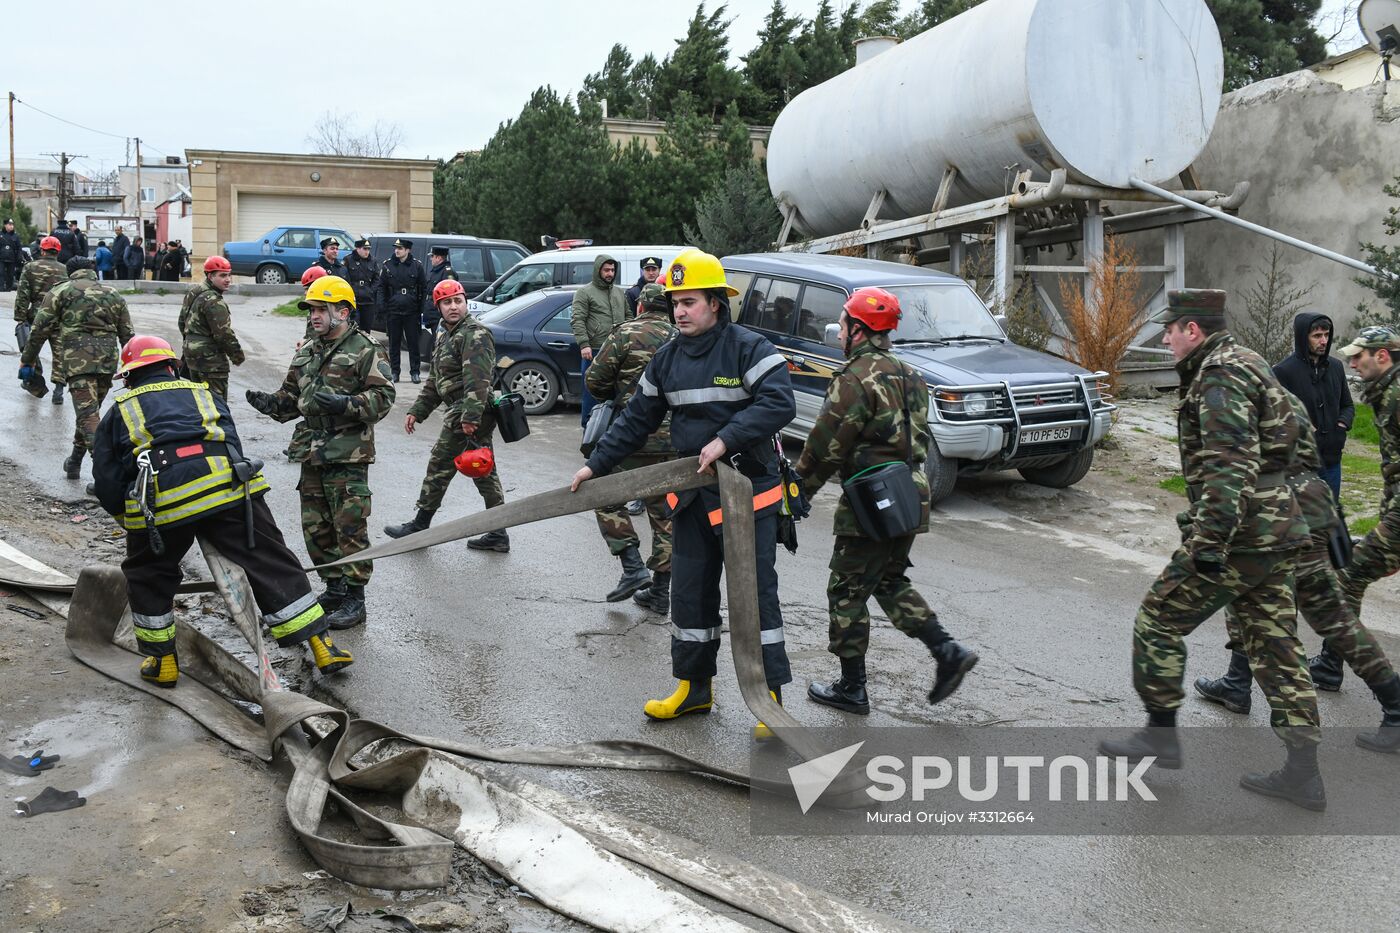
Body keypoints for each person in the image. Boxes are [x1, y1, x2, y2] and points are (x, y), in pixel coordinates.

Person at [1099, 288, 1323, 811]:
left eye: (1170, 329)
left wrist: (1208, 543)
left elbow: (1229, 465)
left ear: (1192, 330)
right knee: (1276, 646)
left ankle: (1159, 734)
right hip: (1277, 529)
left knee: (1157, 621)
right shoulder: (1250, 361)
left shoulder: (1219, 374)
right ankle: (1303, 772)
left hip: (1239, 536)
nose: (1165, 338)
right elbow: (1300, 433)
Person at [571, 249, 796, 732]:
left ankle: (768, 696)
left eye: (689, 301)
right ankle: (693, 689)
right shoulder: (667, 358)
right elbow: (635, 420)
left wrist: (726, 438)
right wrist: (597, 466)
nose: (679, 311)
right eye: (675, 302)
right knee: (690, 593)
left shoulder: (749, 349)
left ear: (716, 302)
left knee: (754, 596)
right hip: (691, 498)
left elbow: (780, 404)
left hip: (747, 498)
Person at [91, 335, 351, 686]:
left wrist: (133, 522)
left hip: (165, 503)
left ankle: (163, 662)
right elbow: (231, 444)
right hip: (227, 491)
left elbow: (108, 481)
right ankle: (323, 645)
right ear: (172, 365)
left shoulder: (119, 411)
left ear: (129, 376)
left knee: (148, 574)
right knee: (270, 558)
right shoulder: (203, 392)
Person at [795, 287, 977, 715]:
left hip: (871, 499)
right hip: (911, 493)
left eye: (842, 324)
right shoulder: (911, 374)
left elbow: (827, 444)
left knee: (846, 591)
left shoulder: (855, 377)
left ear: (858, 329)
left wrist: (798, 492)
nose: (838, 330)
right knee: (888, 581)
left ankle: (852, 688)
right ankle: (947, 651)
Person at [1193, 388, 1400, 751]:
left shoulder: (1224, 395)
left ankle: (1298, 750)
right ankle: (1237, 684)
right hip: (1313, 500)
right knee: (1329, 614)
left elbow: (1230, 471)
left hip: (1271, 509)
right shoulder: (1280, 393)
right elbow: (1312, 455)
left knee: (1262, 610)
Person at [245, 275, 394, 629]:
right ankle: (334, 586)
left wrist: (347, 403)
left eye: (320, 309)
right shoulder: (308, 350)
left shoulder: (365, 348)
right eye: (311, 309)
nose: (313, 315)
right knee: (317, 527)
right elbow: (291, 400)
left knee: (349, 526)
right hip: (310, 451)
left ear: (342, 311)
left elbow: (383, 399)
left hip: (347, 450)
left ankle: (355, 599)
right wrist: (270, 404)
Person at [384, 279, 510, 552]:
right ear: (438, 306)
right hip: (463, 409)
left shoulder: (475, 334)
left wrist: (470, 418)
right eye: (447, 302)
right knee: (483, 470)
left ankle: (419, 525)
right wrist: (417, 411)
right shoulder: (446, 334)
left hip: (469, 409)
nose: (453, 306)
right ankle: (498, 532)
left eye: (458, 301)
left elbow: (478, 381)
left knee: (439, 465)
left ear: (465, 302)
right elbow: (436, 382)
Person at [583, 282, 678, 609]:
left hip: (630, 433)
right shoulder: (681, 336)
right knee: (665, 511)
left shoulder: (624, 333)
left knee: (603, 493)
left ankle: (632, 566)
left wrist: (618, 394)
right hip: (674, 439)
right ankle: (660, 592)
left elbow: (595, 380)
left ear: (640, 307)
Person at [1329, 327, 1400, 704]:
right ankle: (1330, 661)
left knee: (1348, 577)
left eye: (1360, 356)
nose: (1353, 363)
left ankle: (1387, 692)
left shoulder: (1397, 394)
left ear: (1383, 356)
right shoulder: (1386, 392)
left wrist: (1393, 528)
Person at [21, 257, 134, 484]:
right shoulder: (113, 293)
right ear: (91, 270)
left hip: (77, 362)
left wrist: (27, 361)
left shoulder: (61, 292)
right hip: (107, 363)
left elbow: (39, 331)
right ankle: (74, 461)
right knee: (88, 415)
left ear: (69, 272)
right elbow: (128, 336)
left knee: (88, 416)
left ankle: (108, 478)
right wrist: (132, 368)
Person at [1274, 312, 1352, 498]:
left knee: (1332, 515)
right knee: (1302, 520)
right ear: (1303, 337)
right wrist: (1304, 429)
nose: (1324, 341)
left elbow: (1347, 405)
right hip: (1300, 463)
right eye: (1317, 336)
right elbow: (1275, 416)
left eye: (1326, 334)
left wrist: (1341, 425)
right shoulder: (1283, 371)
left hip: (1332, 459)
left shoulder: (1336, 367)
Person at [570, 254, 627, 427]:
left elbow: (629, 317)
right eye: (606, 270)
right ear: (598, 270)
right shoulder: (584, 292)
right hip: (594, 351)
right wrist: (584, 344)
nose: (610, 273)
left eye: (612, 270)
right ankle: (588, 428)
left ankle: (609, 428)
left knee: (615, 391)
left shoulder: (619, 292)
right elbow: (577, 319)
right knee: (591, 392)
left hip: (617, 350)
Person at [12, 235, 68, 404]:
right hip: (59, 315)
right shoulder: (64, 269)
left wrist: (20, 317)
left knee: (31, 348)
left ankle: (35, 383)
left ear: (42, 250)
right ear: (57, 251)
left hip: (37, 314)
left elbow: (23, 295)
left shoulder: (30, 267)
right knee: (60, 352)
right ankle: (58, 389)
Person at [178, 256, 244, 398]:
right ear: (210, 276)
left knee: (198, 401)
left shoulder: (194, 292)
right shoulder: (214, 301)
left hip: (191, 356)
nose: (228, 279)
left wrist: (193, 342)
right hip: (210, 360)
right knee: (216, 403)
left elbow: (181, 322)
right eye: (222, 275)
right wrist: (237, 355)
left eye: (229, 275)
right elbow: (223, 334)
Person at [377, 238, 426, 383]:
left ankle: (415, 372)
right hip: (393, 310)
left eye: (400, 248)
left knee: (413, 343)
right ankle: (395, 371)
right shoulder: (388, 266)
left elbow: (423, 288)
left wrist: (421, 309)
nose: (397, 250)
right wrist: (381, 305)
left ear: (407, 250)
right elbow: (381, 287)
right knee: (394, 343)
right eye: (396, 248)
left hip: (411, 310)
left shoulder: (417, 266)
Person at [421, 246, 457, 340]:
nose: (430, 259)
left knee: (441, 342)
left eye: (432, 256)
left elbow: (449, 295)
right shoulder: (435, 271)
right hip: (432, 315)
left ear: (439, 258)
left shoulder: (447, 272)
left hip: (439, 316)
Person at [345, 237, 380, 333]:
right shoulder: (348, 260)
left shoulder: (373, 261)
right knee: (353, 328)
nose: (367, 251)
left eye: (368, 249)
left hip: (368, 301)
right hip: (354, 300)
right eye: (365, 249)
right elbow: (345, 278)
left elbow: (377, 279)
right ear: (357, 248)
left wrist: (370, 291)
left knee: (366, 328)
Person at [0, 219, 22, 291]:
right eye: (9, 224)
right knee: (1, 273)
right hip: (1, 258)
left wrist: (19, 256)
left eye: (12, 225)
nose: (11, 226)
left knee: (11, 274)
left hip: (12, 258)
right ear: (5, 225)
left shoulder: (16, 236)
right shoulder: (1, 234)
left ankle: (9, 288)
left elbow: (19, 247)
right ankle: (1, 287)